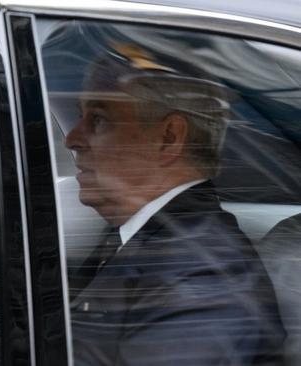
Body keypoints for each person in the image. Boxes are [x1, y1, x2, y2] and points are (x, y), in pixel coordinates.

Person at [64, 44, 286, 365]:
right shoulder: (142, 239)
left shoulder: (205, 277)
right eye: (80, 116)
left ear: (169, 137)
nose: (71, 138)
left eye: (98, 119)